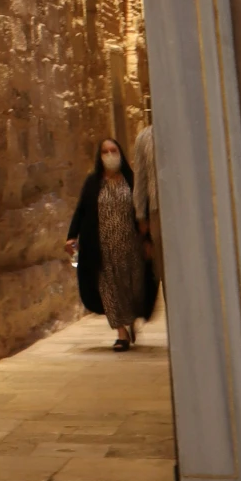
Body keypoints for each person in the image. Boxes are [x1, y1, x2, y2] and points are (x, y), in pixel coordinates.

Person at [67, 137, 157, 349]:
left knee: (133, 287)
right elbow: (81, 210)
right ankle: (121, 333)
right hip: (102, 247)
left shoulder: (130, 180)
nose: (110, 155)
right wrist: (72, 236)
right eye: (105, 152)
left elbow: (142, 212)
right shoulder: (93, 183)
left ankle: (132, 318)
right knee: (109, 289)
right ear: (100, 157)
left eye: (113, 150)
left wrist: (147, 240)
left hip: (130, 246)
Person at [132, 120, 163, 292]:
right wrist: (141, 215)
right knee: (165, 268)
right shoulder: (144, 137)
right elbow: (140, 178)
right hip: (157, 210)